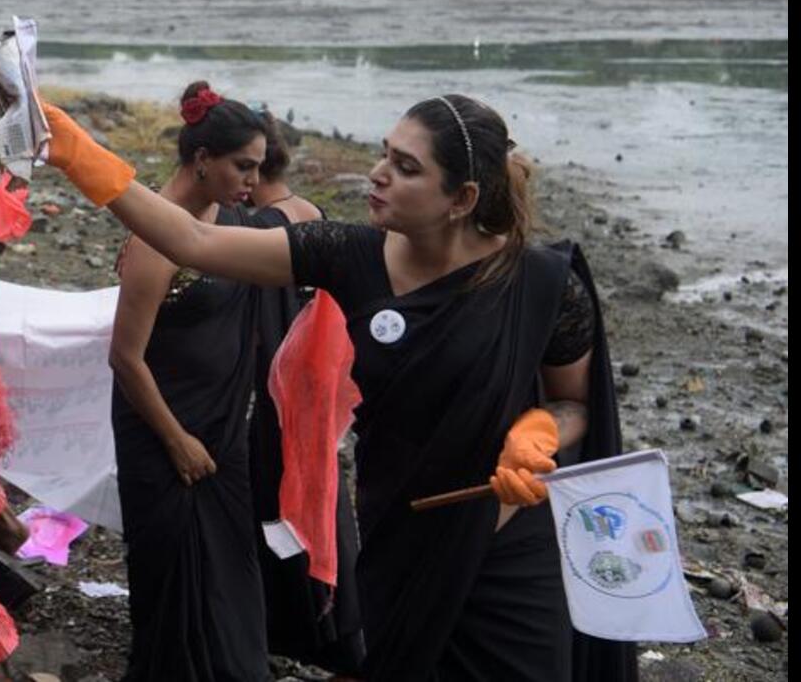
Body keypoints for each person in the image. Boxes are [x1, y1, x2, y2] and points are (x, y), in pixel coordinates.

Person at [37, 93, 633, 680]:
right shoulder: (351, 255)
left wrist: (540, 430)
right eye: (384, 154)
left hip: (504, 545)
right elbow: (193, 242)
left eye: (406, 168)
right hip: (399, 530)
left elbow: (576, 402)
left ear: (463, 198)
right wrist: (77, 154)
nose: (377, 174)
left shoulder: (542, 286)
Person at [108, 82, 273, 681]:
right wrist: (176, 439)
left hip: (222, 428)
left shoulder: (229, 219)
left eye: (258, 166)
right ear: (202, 159)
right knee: (174, 572)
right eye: (243, 165)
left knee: (230, 564)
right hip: (163, 428)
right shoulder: (158, 236)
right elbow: (125, 357)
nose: (253, 179)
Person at [244, 111, 366, 677]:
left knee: (281, 492)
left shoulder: (265, 226)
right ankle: (339, 613)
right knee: (323, 488)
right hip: (320, 380)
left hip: (281, 383)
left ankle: (298, 618)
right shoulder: (313, 213)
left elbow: (265, 324)